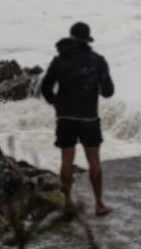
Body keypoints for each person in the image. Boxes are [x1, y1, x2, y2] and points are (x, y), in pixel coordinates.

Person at [40, 21, 115, 217]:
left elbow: (45, 87)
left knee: (66, 159)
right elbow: (108, 92)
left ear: (71, 36)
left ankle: (67, 205)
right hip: (89, 117)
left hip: (65, 116)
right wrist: (96, 85)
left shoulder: (59, 60)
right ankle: (99, 204)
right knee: (93, 159)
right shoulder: (98, 61)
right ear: (88, 38)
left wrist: (55, 102)